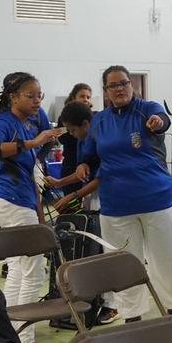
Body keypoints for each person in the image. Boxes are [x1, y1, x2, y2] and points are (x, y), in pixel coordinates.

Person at [75, 65, 172, 323]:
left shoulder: (146, 109)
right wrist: (83, 165)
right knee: (124, 264)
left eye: (124, 83)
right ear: (105, 90)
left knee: (168, 257)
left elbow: (162, 119)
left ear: (131, 85)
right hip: (116, 207)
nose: (120, 89)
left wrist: (159, 122)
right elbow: (90, 155)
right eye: (113, 85)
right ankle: (132, 315)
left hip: (156, 200)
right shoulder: (99, 121)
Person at [0, 72, 61, 343]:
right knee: (34, 273)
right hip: (11, 201)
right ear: (13, 97)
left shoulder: (26, 124)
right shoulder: (4, 122)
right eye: (30, 95)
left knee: (17, 269)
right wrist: (34, 143)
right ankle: (25, 341)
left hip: (19, 201)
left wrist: (40, 218)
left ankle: (10, 336)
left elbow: (30, 177)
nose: (37, 101)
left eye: (40, 95)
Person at [51, 101, 119, 325]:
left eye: (72, 130)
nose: (71, 135)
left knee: (108, 253)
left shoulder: (101, 140)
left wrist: (72, 195)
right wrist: (60, 182)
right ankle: (97, 300)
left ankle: (113, 305)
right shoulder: (84, 142)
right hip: (92, 203)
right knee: (95, 255)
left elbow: (98, 179)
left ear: (85, 124)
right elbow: (85, 173)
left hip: (109, 202)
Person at [56, 83, 92, 196]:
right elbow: (63, 139)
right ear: (73, 97)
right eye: (82, 96)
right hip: (71, 165)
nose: (85, 100)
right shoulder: (64, 119)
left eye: (88, 97)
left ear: (86, 124)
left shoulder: (92, 137)